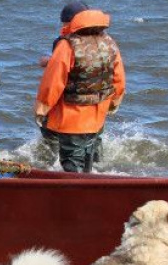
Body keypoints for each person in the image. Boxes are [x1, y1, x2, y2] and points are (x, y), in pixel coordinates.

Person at [34, 8, 125, 173]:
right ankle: (94, 184)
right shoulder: (109, 42)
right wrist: (114, 102)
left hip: (72, 117)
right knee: (89, 161)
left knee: (72, 164)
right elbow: (118, 77)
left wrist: (42, 108)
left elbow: (53, 81)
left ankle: (73, 189)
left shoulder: (67, 45)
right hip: (98, 115)